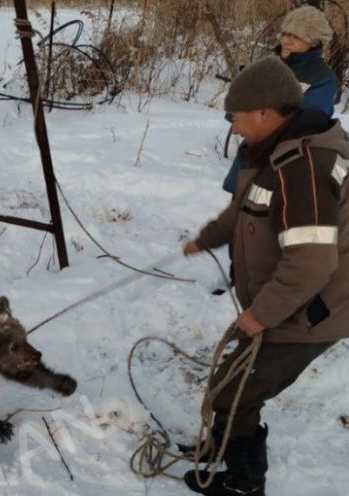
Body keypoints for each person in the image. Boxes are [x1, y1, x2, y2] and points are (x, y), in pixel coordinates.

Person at [182, 55, 349, 495]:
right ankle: (223, 449)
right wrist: (209, 237)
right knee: (234, 383)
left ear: (264, 112)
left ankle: (243, 481)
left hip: (307, 313)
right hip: (282, 304)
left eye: (236, 117)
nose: (233, 127)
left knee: (235, 391)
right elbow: (245, 210)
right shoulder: (274, 151)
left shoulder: (303, 167)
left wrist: (259, 316)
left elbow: (310, 265)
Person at [221, 5, 338, 195]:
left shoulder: (323, 78)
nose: (287, 41)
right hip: (252, 159)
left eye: (297, 37)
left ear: (314, 41)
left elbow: (304, 126)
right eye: (286, 34)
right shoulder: (268, 66)